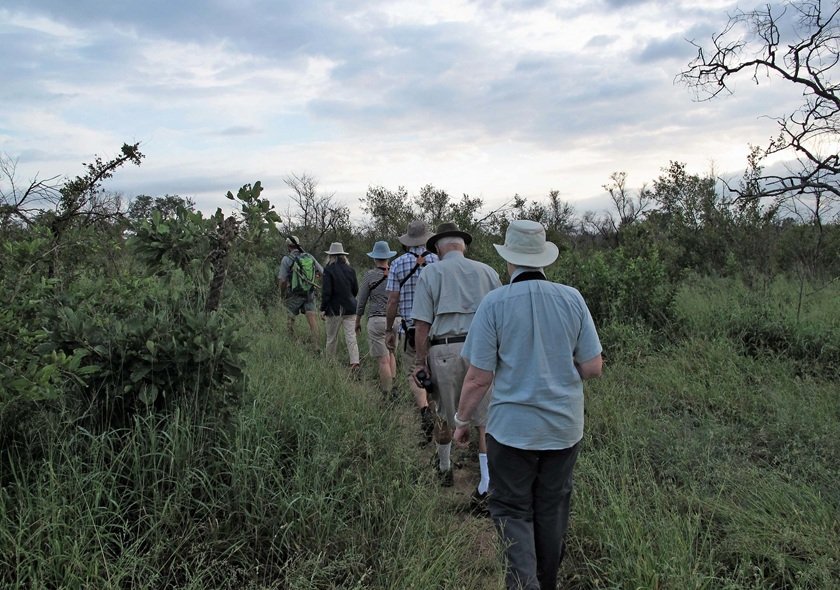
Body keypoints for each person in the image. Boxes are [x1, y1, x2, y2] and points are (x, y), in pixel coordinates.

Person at [453, 219, 603, 590]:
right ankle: (545, 582)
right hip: (563, 429)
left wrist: (461, 420)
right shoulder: (572, 298)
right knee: (552, 509)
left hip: (512, 431)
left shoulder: (495, 303)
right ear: (542, 259)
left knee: (511, 509)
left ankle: (523, 583)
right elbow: (592, 367)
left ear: (509, 260)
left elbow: (477, 377)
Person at [411, 222, 501, 492]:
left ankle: (445, 468)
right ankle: (486, 482)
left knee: (442, 413)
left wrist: (420, 362)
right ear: (463, 246)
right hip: (483, 350)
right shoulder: (488, 272)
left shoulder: (431, 272)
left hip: (444, 349)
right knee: (485, 420)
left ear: (438, 248)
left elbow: (422, 325)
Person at [384, 220, 440, 442]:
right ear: (427, 239)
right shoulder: (438, 261)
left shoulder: (397, 264)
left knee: (413, 372)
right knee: (435, 372)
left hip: (411, 329)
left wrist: (389, 329)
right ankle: (438, 416)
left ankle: (424, 409)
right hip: (437, 330)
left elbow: (392, 301)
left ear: (408, 241)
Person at [355, 240, 399, 401]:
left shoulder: (370, 275)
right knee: (391, 352)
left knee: (382, 359)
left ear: (375, 258)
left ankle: (387, 394)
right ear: (388, 257)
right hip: (396, 319)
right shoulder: (396, 272)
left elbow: (362, 300)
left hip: (377, 319)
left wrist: (358, 319)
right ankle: (394, 387)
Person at [277, 235, 323, 351]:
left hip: (294, 295)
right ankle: (316, 346)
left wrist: (282, 295)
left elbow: (282, 280)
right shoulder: (309, 257)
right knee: (312, 321)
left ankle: (291, 343)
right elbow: (322, 272)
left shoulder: (286, 260)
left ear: (288, 247)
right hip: (309, 294)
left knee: (290, 320)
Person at [320, 242, 360, 374]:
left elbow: (327, 292)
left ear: (331, 256)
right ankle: (355, 363)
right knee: (351, 337)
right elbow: (355, 290)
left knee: (331, 338)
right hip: (350, 308)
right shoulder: (350, 270)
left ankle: (330, 363)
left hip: (334, 309)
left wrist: (323, 308)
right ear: (343, 255)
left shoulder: (328, 270)